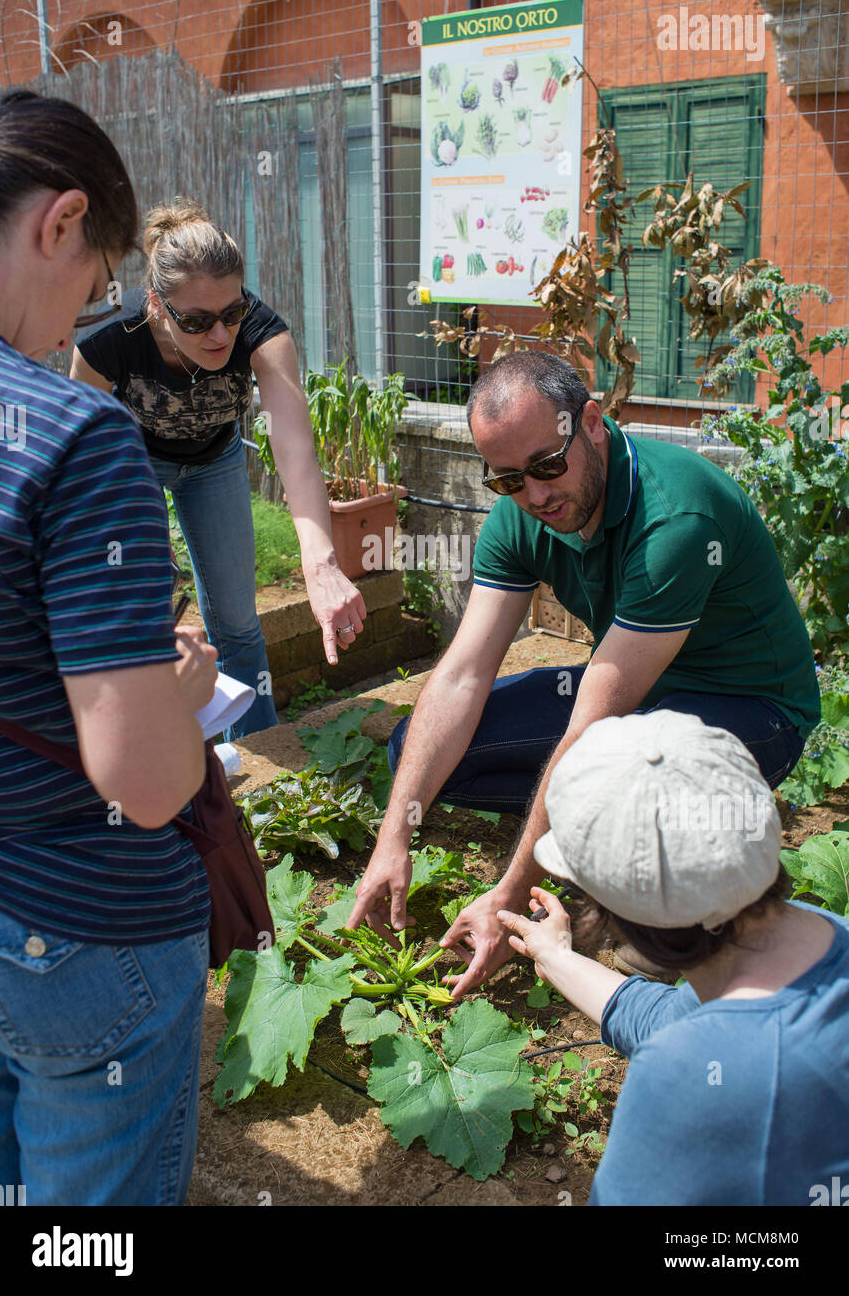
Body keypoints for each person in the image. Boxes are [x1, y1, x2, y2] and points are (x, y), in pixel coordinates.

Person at [347, 349, 820, 997]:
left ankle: (665, 880)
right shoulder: (520, 515)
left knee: (627, 777)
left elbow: (594, 719)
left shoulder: (676, 517)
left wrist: (509, 897)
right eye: (508, 480)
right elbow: (460, 675)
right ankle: (603, 838)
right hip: (642, 698)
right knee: (418, 751)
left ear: (591, 423)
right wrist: (392, 838)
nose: (534, 495)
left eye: (546, 466)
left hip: (752, 711)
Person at [0, 87, 220, 1205]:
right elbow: (147, 778)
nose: (80, 314)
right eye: (96, 273)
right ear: (59, 221)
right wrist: (177, 693)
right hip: (72, 925)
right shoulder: (72, 432)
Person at [498, 708, 849, 1206]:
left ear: (616, 914)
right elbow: (675, 1021)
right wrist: (555, 955)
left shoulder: (684, 1076)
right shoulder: (820, 937)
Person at [70, 197, 365, 740]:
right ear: (157, 305)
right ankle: (154, 754)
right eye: (198, 321)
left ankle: (256, 749)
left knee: (236, 622)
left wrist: (321, 566)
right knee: (142, 614)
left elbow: (295, 450)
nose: (220, 336)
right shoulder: (108, 336)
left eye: (230, 314)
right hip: (131, 467)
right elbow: (76, 449)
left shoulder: (262, 332)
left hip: (214, 461)